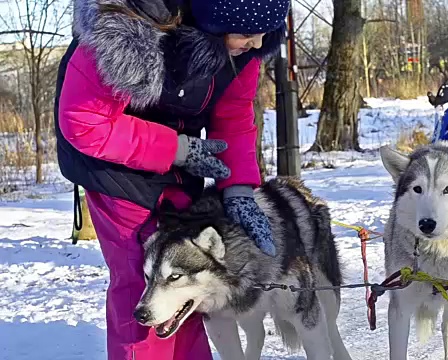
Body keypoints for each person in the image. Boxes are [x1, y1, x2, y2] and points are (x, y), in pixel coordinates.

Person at [54, 0, 290, 359]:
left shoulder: (240, 44)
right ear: (216, 18)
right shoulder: (121, 29)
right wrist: (176, 149)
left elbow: (234, 116)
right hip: (115, 165)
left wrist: (239, 190)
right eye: (248, 34)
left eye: (266, 35)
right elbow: (84, 123)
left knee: (186, 273)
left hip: (182, 160)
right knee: (146, 277)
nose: (257, 44)